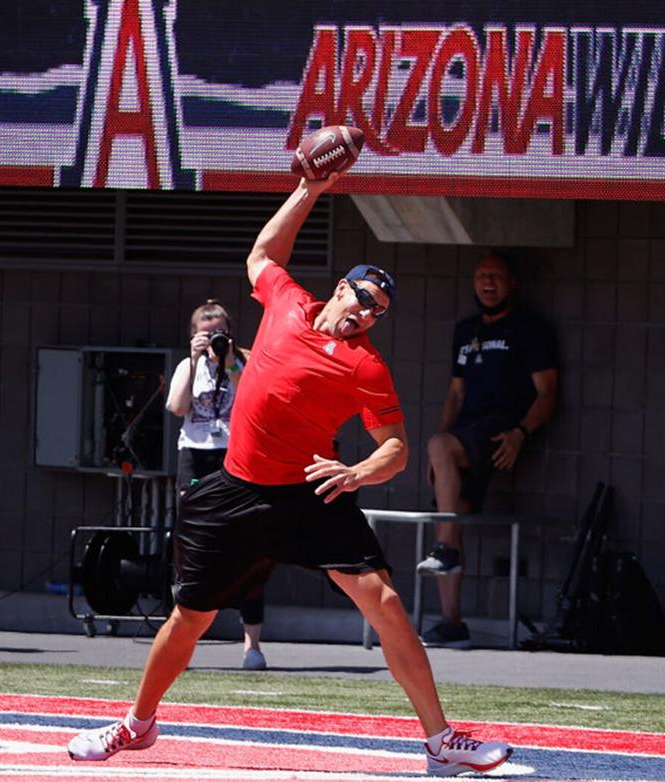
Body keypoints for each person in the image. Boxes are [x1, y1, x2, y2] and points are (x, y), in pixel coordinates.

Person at [67, 166, 514, 776]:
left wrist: (356, 472)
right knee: (189, 618)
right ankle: (136, 725)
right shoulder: (287, 304)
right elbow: (262, 254)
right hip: (233, 491)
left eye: (379, 311)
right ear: (339, 290)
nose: (368, 313)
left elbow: (398, 450)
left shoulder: (367, 367)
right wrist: (310, 189)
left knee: (384, 600)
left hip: (309, 495)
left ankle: (440, 742)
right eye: (364, 298)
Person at [417, 252, 558, 649]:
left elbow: (548, 393)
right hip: (464, 437)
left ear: (512, 282)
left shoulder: (530, 330)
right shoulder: (466, 330)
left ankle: (443, 548)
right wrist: (437, 451)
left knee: (447, 524)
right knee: (454, 513)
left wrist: (520, 433)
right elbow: (455, 393)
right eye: (481, 275)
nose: (488, 282)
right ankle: (452, 621)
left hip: (501, 434)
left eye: (496, 275)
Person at [165, 299, 271, 671]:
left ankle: (252, 645)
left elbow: (258, 401)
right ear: (194, 335)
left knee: (249, 546)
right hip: (196, 453)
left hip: (237, 454)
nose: (214, 340)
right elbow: (178, 407)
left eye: (220, 333)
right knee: (192, 548)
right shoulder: (186, 365)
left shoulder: (244, 359)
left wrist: (228, 361)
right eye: (206, 334)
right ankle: (183, 643)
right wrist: (195, 363)